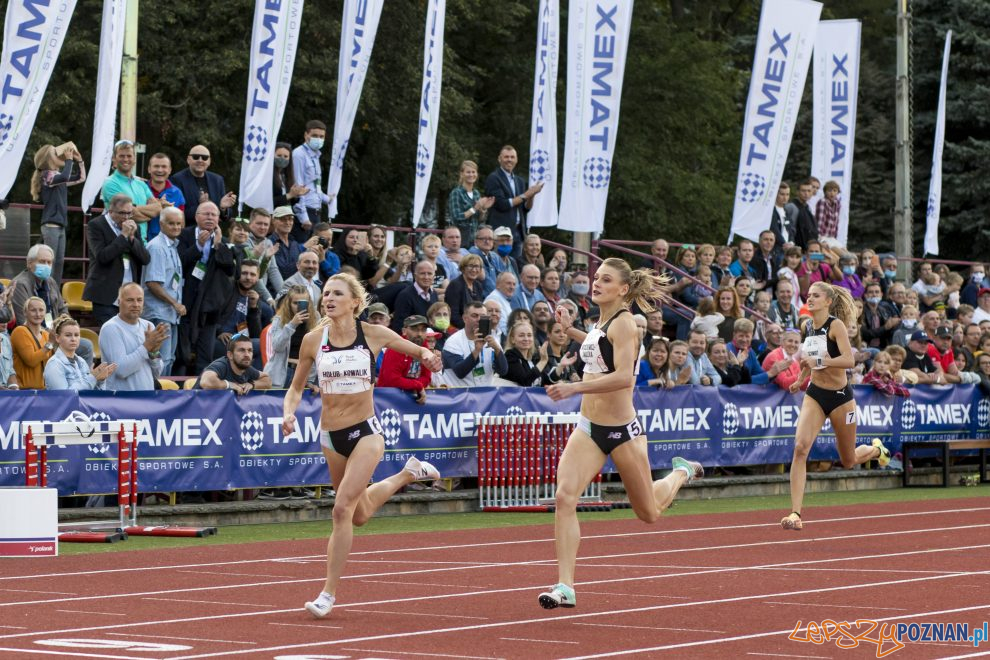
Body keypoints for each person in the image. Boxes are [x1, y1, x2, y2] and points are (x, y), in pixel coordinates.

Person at [539, 257, 702, 609]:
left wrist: (573, 388)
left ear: (623, 289)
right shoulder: (601, 322)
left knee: (649, 513)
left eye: (605, 279)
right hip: (589, 428)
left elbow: (625, 377)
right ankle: (565, 585)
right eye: (596, 277)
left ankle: (680, 472)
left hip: (623, 431)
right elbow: (599, 351)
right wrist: (570, 331)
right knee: (565, 497)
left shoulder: (626, 323)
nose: (596, 283)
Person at [281, 272, 443, 618]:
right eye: (326, 293)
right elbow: (295, 388)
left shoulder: (371, 334)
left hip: (366, 432)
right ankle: (407, 474)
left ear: (355, 302)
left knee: (340, 511)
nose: (329, 298)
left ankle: (327, 593)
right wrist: (289, 413)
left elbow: (418, 351)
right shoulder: (312, 340)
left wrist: (429, 358)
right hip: (330, 436)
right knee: (359, 514)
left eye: (337, 293)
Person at [781, 282, 890, 531]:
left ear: (828, 301)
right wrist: (799, 380)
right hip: (815, 394)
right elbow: (808, 361)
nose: (810, 299)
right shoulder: (808, 326)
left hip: (841, 397)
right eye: (809, 295)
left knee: (849, 459)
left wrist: (817, 360)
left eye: (816, 296)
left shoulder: (835, 325)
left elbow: (848, 359)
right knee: (800, 449)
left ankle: (876, 450)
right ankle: (796, 513)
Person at [177, 201, 235, 375]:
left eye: (214, 214)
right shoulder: (184, 235)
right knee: (182, 354)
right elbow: (179, 262)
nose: (210, 217)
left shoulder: (223, 241)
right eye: (206, 213)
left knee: (205, 355)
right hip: (186, 301)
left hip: (209, 306)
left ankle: (202, 390)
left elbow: (230, 269)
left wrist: (217, 245)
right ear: (196, 217)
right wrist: (197, 247)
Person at [83, 194, 153, 325]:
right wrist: (123, 236)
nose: (126, 217)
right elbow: (102, 257)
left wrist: (132, 239)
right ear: (110, 211)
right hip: (106, 294)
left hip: (128, 297)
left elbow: (145, 258)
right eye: (122, 213)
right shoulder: (96, 225)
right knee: (111, 337)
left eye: (129, 213)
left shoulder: (133, 226)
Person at [142, 206, 186, 375]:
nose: (176, 227)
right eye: (171, 224)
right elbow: (152, 283)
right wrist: (175, 303)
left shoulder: (172, 246)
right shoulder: (157, 247)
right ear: (161, 224)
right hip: (158, 313)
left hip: (170, 313)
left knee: (169, 359)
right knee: (160, 360)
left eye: (178, 224)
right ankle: (158, 397)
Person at [32, 142, 85, 282]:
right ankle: (43, 292)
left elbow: (81, 178)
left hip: (60, 226)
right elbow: (65, 177)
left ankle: (54, 293)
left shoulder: (58, 177)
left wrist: (79, 160)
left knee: (59, 262)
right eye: (55, 153)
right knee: (49, 262)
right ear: (47, 159)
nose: (59, 154)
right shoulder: (46, 176)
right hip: (50, 226)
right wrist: (68, 160)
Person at [100, 283, 169, 391]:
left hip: (146, 399)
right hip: (121, 401)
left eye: (139, 300)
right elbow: (121, 370)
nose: (136, 304)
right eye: (130, 300)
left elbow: (157, 373)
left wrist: (154, 353)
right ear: (119, 302)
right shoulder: (110, 328)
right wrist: (147, 347)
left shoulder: (148, 326)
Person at [484, 145, 544, 257]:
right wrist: (527, 194)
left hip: (518, 232)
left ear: (516, 160)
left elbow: (525, 208)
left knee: (515, 268)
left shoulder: (519, 181)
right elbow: (502, 204)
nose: (509, 160)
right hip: (501, 233)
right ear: (499, 159)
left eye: (512, 157)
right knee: (499, 266)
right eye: (506, 157)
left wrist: (532, 195)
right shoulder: (493, 178)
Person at [100, 140, 161, 241]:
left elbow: (158, 208)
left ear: (134, 159)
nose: (125, 159)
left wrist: (136, 209)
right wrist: (151, 213)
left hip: (142, 241)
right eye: (121, 156)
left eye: (129, 156)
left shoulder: (141, 184)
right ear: (114, 159)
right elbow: (129, 216)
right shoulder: (110, 183)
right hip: (119, 240)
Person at [440, 301, 508, 387]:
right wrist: (476, 351)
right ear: (465, 318)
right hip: (458, 396)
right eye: (475, 316)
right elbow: (460, 372)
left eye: (483, 316)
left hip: (485, 396)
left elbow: (503, 371)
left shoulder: (492, 340)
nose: (479, 319)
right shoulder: (453, 341)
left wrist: (497, 350)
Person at [263, 285, 317, 388]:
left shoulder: (315, 319)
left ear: (309, 303)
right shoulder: (279, 319)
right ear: (289, 303)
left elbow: (316, 351)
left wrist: (310, 379)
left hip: (304, 373)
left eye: (304, 303)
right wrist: (292, 325)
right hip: (283, 373)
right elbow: (277, 346)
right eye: (295, 303)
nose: (299, 307)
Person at [44, 315, 116, 390]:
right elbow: (65, 396)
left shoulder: (82, 362)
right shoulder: (54, 364)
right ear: (58, 338)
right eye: (68, 335)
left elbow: (92, 395)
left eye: (76, 335)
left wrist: (100, 380)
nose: (73, 339)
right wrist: (92, 377)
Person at [170, 145, 237, 224]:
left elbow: (225, 217)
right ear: (188, 160)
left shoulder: (217, 180)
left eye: (204, 158)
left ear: (209, 161)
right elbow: (176, 213)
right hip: (188, 232)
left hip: (213, 232)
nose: (200, 160)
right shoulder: (177, 179)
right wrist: (200, 206)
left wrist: (223, 208)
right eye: (196, 157)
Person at [378, 315, 435, 403]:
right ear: (404, 331)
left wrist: (416, 386)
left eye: (423, 330)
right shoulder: (395, 348)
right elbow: (392, 380)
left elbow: (427, 378)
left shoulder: (425, 348)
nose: (419, 334)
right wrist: (417, 386)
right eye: (415, 329)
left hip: (413, 398)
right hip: (387, 400)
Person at [291, 120, 332, 238]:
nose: (318, 139)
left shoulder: (315, 156)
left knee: (315, 252)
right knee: (303, 252)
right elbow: (298, 188)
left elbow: (314, 186)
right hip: (305, 213)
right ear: (306, 135)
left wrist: (327, 198)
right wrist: (303, 217)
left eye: (321, 136)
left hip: (316, 211)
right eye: (314, 135)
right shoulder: (299, 155)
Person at [195, 333, 272, 392]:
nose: (247, 355)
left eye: (250, 350)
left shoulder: (246, 368)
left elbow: (267, 381)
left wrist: (252, 384)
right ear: (230, 355)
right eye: (241, 350)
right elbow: (206, 382)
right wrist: (229, 385)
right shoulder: (221, 365)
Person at [11, 297, 55, 389]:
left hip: (44, 391)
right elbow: (31, 361)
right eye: (33, 310)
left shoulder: (47, 335)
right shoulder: (20, 331)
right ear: (25, 313)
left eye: (41, 310)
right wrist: (50, 343)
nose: (38, 314)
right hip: (25, 392)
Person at [447, 159, 494, 245]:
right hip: (459, 240)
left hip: (474, 240)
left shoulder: (476, 193)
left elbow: (480, 220)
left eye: (473, 172)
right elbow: (456, 217)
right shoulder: (456, 193)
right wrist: (475, 208)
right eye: (468, 172)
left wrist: (483, 209)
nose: (471, 175)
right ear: (462, 174)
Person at [145, 152, 186, 242]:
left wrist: (169, 211)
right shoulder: (141, 189)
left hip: (168, 243)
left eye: (164, 167)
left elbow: (181, 224)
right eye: (156, 166)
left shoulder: (177, 193)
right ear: (149, 169)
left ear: (170, 170)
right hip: (142, 242)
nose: (160, 170)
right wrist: (155, 207)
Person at [503, 321, 551, 386]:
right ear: (512, 339)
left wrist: (561, 366)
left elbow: (547, 381)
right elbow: (525, 381)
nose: (526, 339)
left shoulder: (534, 357)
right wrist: (543, 361)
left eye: (529, 335)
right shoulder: (510, 356)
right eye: (521, 335)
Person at [444, 254, 485, 329]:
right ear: (463, 268)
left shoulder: (478, 285)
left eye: (477, 266)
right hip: (459, 328)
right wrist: (468, 328)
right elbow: (453, 315)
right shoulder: (455, 285)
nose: (474, 270)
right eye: (470, 266)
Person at [272, 141, 308, 210]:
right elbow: (269, 202)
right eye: (279, 155)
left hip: (285, 216)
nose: (282, 158)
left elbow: (290, 201)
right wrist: (290, 195)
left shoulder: (285, 176)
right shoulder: (269, 177)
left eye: (286, 156)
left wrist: (296, 194)